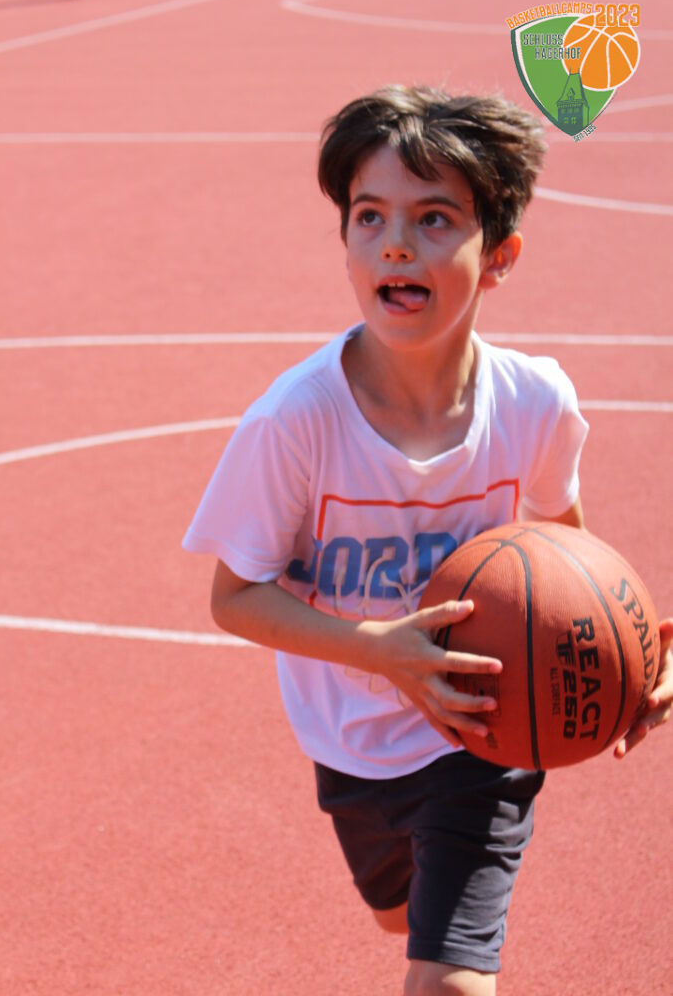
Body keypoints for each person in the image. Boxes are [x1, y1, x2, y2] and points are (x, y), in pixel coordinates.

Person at [183, 85, 673, 996]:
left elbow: (565, 555)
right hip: (352, 739)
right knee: (397, 917)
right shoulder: (294, 421)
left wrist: (631, 650)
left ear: (499, 257)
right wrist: (379, 650)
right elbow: (234, 597)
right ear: (345, 242)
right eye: (368, 216)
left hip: (483, 740)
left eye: (434, 218)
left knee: (449, 979)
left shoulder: (534, 402)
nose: (395, 243)